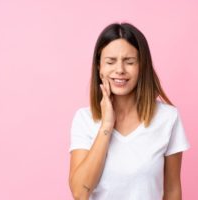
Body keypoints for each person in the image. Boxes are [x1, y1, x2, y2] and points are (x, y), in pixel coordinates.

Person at [68, 22, 190, 200]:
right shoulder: (84, 120)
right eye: (110, 61)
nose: (120, 70)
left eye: (129, 62)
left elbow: (172, 191)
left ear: (142, 66)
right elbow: (80, 192)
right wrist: (107, 125)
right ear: (98, 66)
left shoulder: (168, 118)